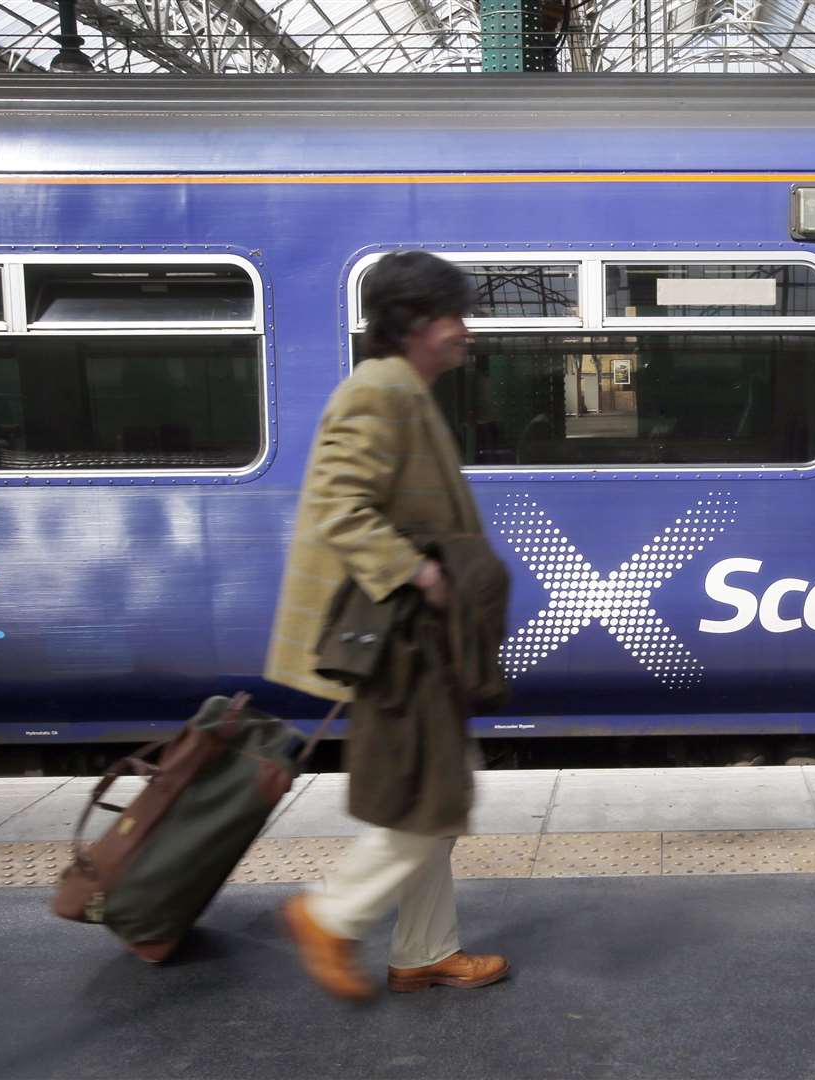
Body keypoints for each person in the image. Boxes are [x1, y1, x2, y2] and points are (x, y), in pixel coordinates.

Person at [265, 250, 510, 1000]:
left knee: (430, 792)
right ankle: (331, 915)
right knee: (432, 794)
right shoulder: (377, 392)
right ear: (415, 324)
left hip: (418, 638)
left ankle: (423, 951)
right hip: (398, 639)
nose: (463, 330)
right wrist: (420, 572)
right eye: (452, 315)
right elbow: (342, 505)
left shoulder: (406, 389)